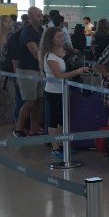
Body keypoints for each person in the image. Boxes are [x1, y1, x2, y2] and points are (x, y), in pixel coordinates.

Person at [39, 27, 90, 159]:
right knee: (53, 120)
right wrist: (77, 71)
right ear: (51, 40)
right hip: (53, 92)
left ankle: (61, 144)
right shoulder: (50, 57)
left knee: (62, 119)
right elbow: (59, 75)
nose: (62, 39)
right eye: (59, 37)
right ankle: (55, 148)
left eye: (62, 36)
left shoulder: (60, 53)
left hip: (62, 91)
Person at [13, 7, 44, 137]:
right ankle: (18, 129)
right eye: (38, 16)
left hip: (39, 70)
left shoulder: (41, 31)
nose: (41, 18)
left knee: (39, 101)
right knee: (30, 101)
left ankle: (34, 129)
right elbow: (36, 53)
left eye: (41, 15)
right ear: (30, 18)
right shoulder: (27, 32)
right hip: (27, 70)